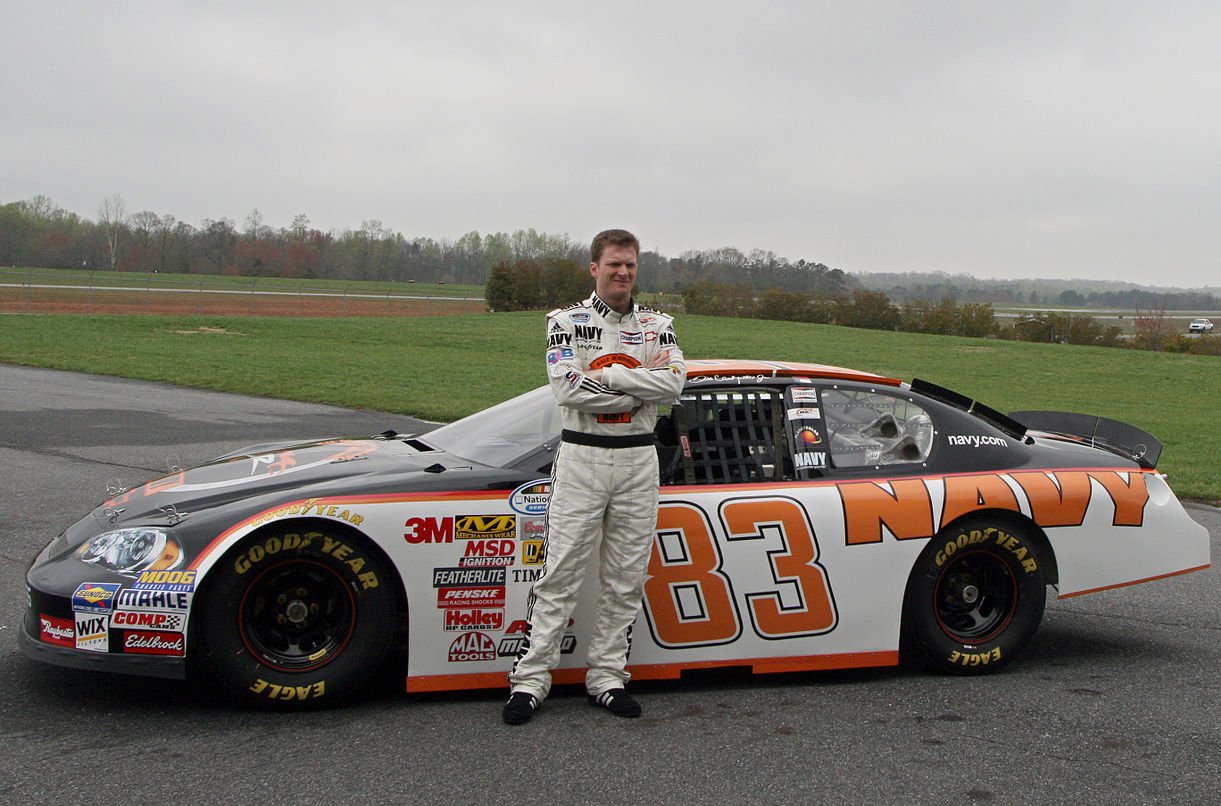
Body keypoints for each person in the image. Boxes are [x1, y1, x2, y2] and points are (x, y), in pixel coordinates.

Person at [502, 229, 686, 725]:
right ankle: (531, 680)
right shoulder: (566, 321)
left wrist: (608, 377)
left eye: (629, 265)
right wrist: (637, 392)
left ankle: (606, 676)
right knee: (560, 572)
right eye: (613, 265)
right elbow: (567, 388)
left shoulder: (656, 325)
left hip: (637, 461)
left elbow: (673, 384)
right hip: (582, 457)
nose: (622, 273)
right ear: (594, 268)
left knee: (625, 577)